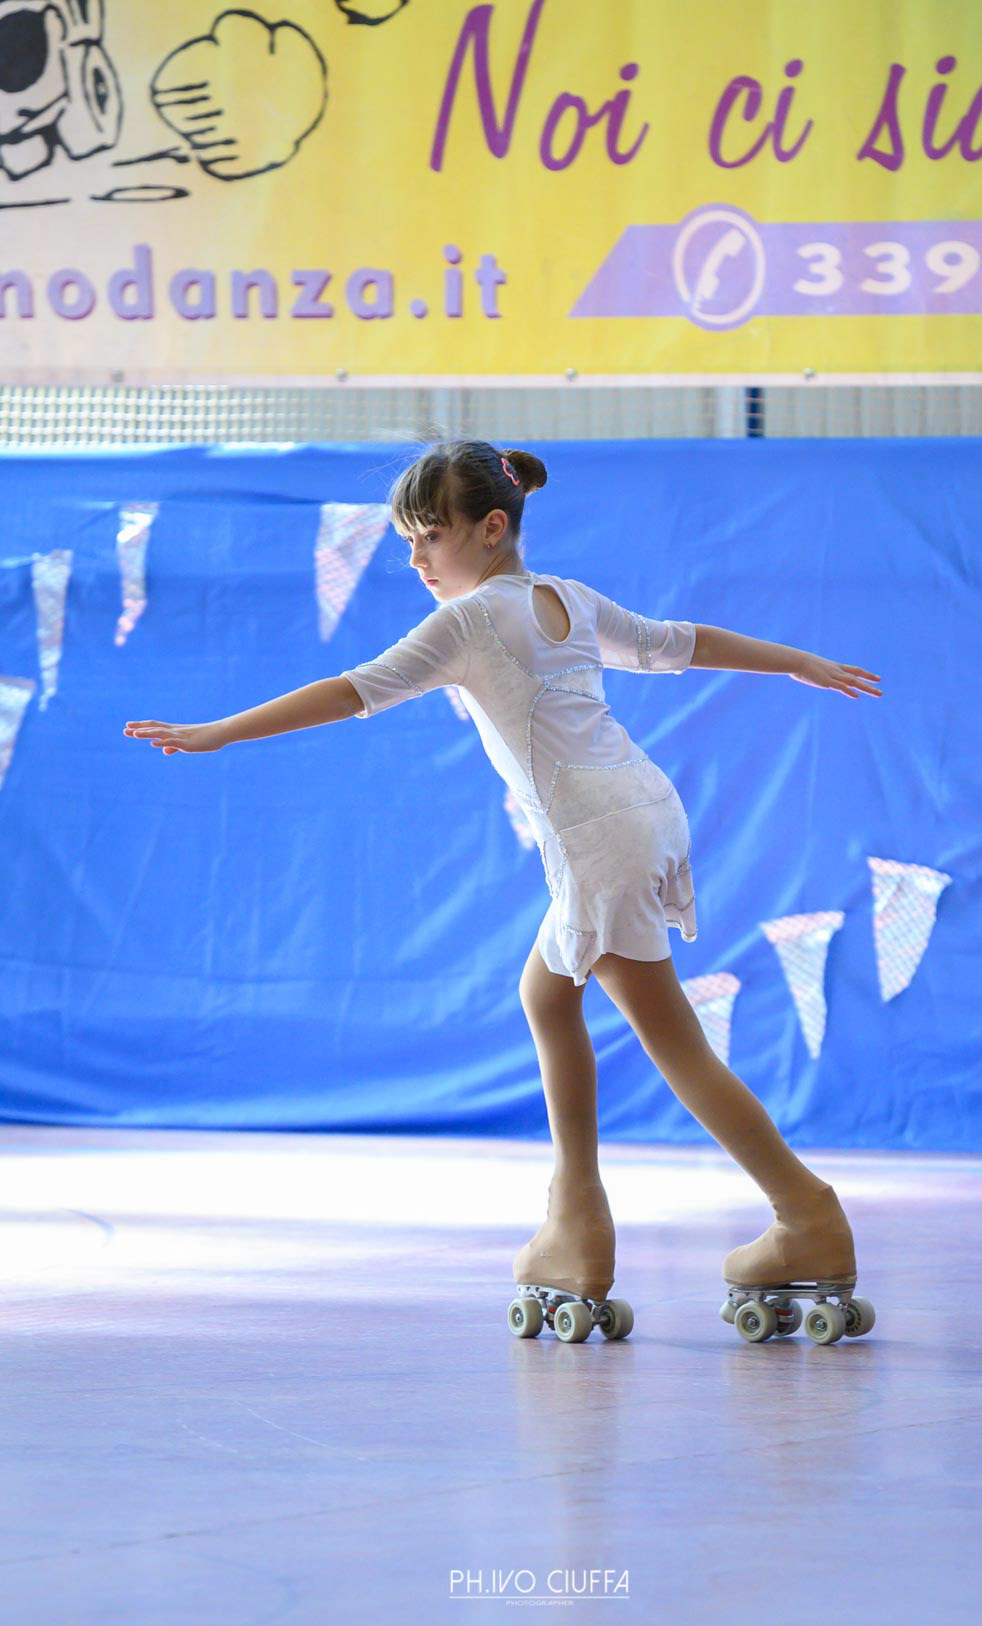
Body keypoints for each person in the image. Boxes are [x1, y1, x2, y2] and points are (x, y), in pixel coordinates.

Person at [124, 438, 883, 1328]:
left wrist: (218, 731)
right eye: (407, 541)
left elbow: (351, 691)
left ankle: (804, 1216)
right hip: (643, 813)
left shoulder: (471, 621)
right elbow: (682, 642)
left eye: (430, 536)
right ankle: (575, 1219)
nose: (416, 559)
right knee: (547, 996)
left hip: (599, 841)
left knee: (676, 1044)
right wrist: (794, 659)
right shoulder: (566, 597)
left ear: (491, 528)